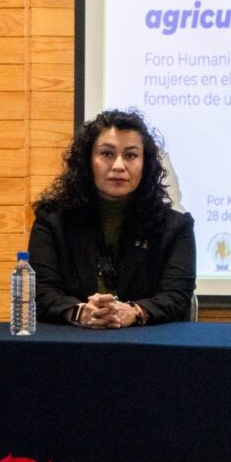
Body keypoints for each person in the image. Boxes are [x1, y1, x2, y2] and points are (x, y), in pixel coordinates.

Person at [29, 109, 196, 327]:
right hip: (70, 347)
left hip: (148, 349)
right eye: (107, 154)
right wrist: (80, 312)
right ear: (87, 161)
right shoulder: (53, 221)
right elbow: (39, 291)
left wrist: (134, 312)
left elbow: (177, 297)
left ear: (145, 164)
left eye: (131, 155)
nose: (118, 166)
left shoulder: (175, 228)